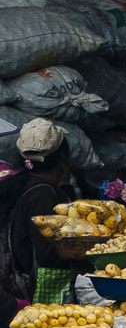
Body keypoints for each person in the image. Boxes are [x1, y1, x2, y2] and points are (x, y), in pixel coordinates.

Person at [9, 119, 79, 306]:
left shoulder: (27, 183)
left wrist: (66, 188)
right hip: (39, 290)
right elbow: (48, 254)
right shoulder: (43, 194)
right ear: (63, 157)